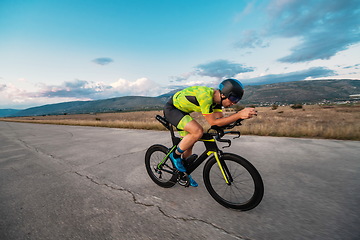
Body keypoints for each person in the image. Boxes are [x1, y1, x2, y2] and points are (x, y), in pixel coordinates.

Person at [164, 78, 257, 187]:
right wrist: (238, 114)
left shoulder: (217, 103)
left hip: (183, 112)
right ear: (223, 95)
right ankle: (174, 156)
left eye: (237, 101)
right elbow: (214, 122)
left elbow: (220, 122)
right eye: (233, 98)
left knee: (189, 144)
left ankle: (183, 174)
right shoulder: (206, 96)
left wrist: (239, 119)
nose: (233, 103)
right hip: (172, 109)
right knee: (198, 131)